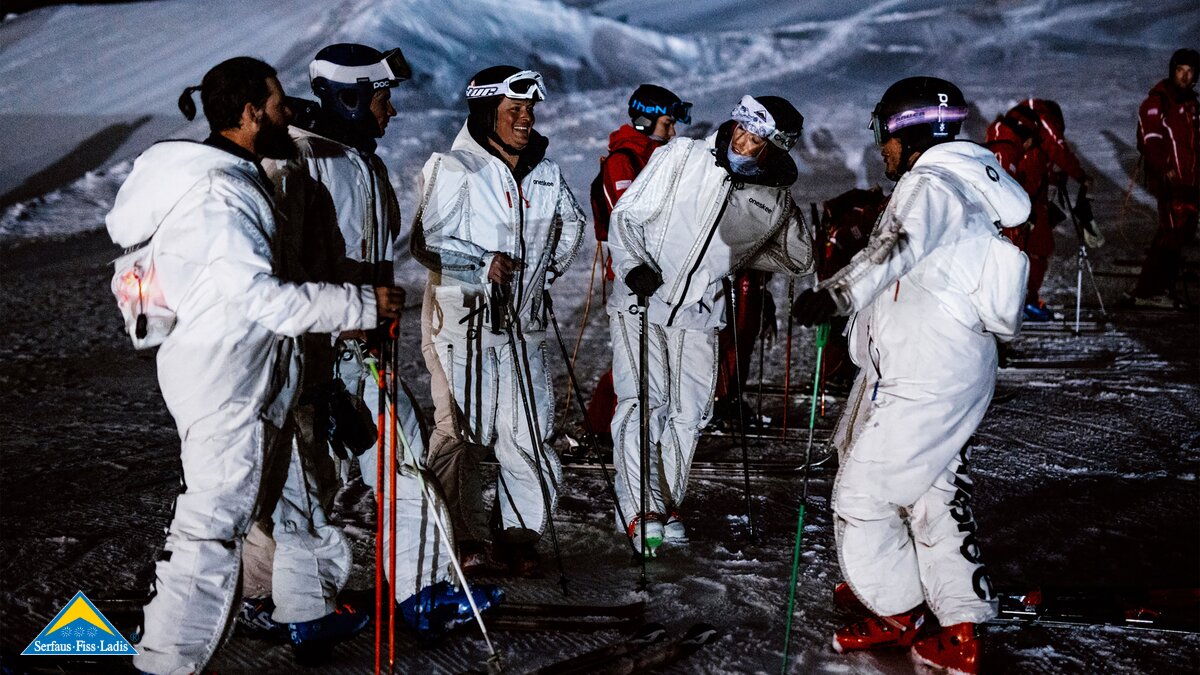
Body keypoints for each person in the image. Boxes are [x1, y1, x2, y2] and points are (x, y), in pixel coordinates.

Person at [104, 56, 405, 674]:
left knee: (248, 517)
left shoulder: (231, 178)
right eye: (276, 101)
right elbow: (260, 298)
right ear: (248, 113)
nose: (287, 110)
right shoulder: (222, 192)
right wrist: (359, 303)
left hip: (241, 375)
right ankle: (167, 663)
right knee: (209, 535)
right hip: (227, 379)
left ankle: (283, 609)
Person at [242, 43, 499, 640]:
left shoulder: (363, 162)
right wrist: (325, 347)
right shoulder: (299, 163)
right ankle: (266, 596)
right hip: (312, 355)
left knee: (402, 462)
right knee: (298, 482)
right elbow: (284, 268)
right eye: (382, 98)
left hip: (363, 354)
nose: (391, 111)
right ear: (350, 96)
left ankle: (420, 591)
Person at [791, 76, 1030, 675]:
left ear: (907, 130)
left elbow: (896, 247)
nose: (880, 148)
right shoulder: (958, 183)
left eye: (882, 133)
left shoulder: (930, 186)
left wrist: (836, 295)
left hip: (929, 376)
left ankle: (900, 608)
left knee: (862, 497)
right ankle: (960, 625)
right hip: (936, 366)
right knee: (929, 493)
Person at [607, 94, 814, 554]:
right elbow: (626, 216)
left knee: (691, 412)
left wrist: (778, 198)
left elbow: (800, 260)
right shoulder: (682, 156)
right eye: (741, 128)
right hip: (643, 297)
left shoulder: (768, 196)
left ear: (775, 146)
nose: (742, 140)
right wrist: (632, 266)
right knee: (643, 403)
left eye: (757, 138)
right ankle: (639, 506)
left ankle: (665, 503)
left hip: (701, 311)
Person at [411, 65, 585, 576]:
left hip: (522, 325)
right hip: (461, 322)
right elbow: (426, 241)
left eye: (530, 110)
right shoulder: (455, 166)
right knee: (461, 431)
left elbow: (570, 225)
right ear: (487, 112)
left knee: (528, 431)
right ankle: (457, 534)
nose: (525, 118)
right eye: (514, 110)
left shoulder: (545, 171)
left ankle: (517, 533)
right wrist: (481, 261)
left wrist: (541, 277)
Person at [585, 84, 691, 442]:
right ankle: (599, 429)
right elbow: (629, 222)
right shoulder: (623, 161)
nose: (673, 131)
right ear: (645, 121)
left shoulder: (656, 157)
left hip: (662, 276)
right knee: (635, 362)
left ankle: (643, 428)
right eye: (666, 124)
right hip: (636, 280)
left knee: (656, 359)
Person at [985, 99, 1089, 320]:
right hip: (1023, 207)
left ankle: (1020, 301)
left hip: (1025, 202)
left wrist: (1053, 177)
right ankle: (1024, 303)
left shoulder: (1011, 137)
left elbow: (1035, 167)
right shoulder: (1035, 125)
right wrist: (1080, 176)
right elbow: (1057, 149)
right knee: (1032, 250)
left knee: (1030, 250)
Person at [1130, 47, 1198, 308]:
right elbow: (1151, 139)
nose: (1184, 76)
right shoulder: (1157, 102)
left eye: (1190, 71)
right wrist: (1163, 167)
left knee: (1183, 233)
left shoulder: (1191, 105)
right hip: (1171, 179)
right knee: (1171, 232)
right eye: (1180, 70)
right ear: (1172, 71)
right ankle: (1148, 291)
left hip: (1191, 181)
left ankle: (1161, 287)